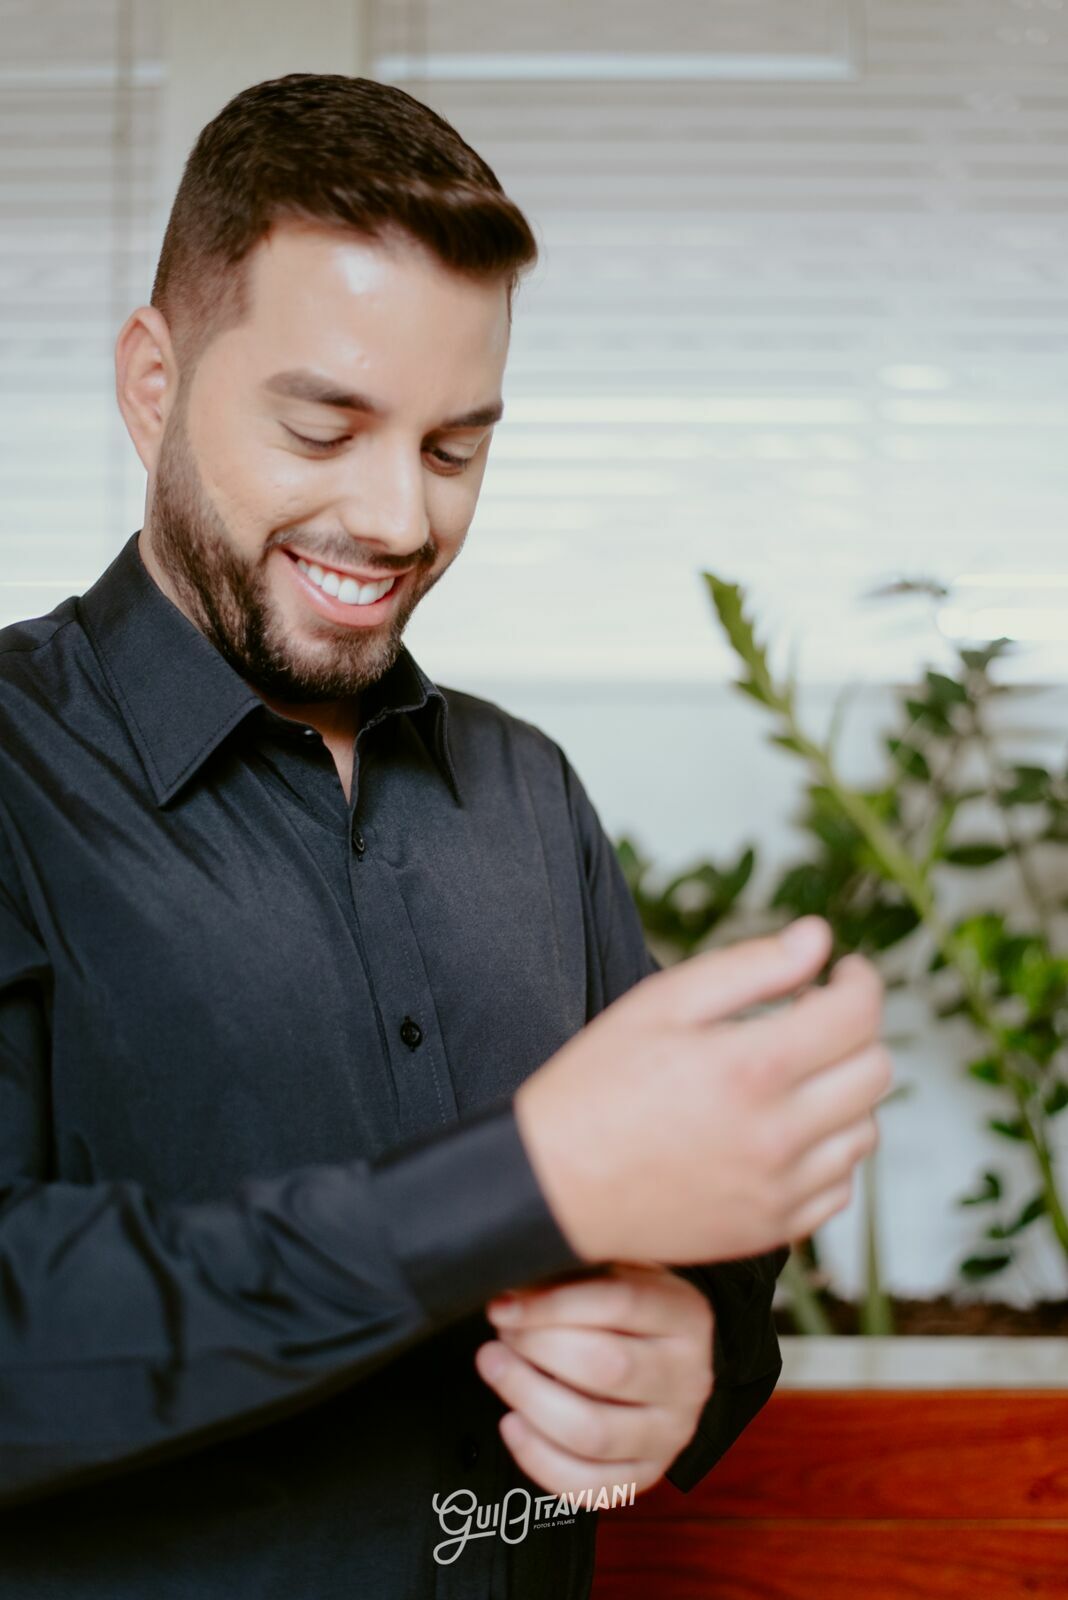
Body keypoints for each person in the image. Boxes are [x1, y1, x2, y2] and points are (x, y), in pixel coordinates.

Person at [0, 73, 891, 1598]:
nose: (398, 518)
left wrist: (695, 1354)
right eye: (323, 425)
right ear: (153, 381)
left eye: (454, 448)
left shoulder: (528, 793)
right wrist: (515, 1182)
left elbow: (706, 1238)